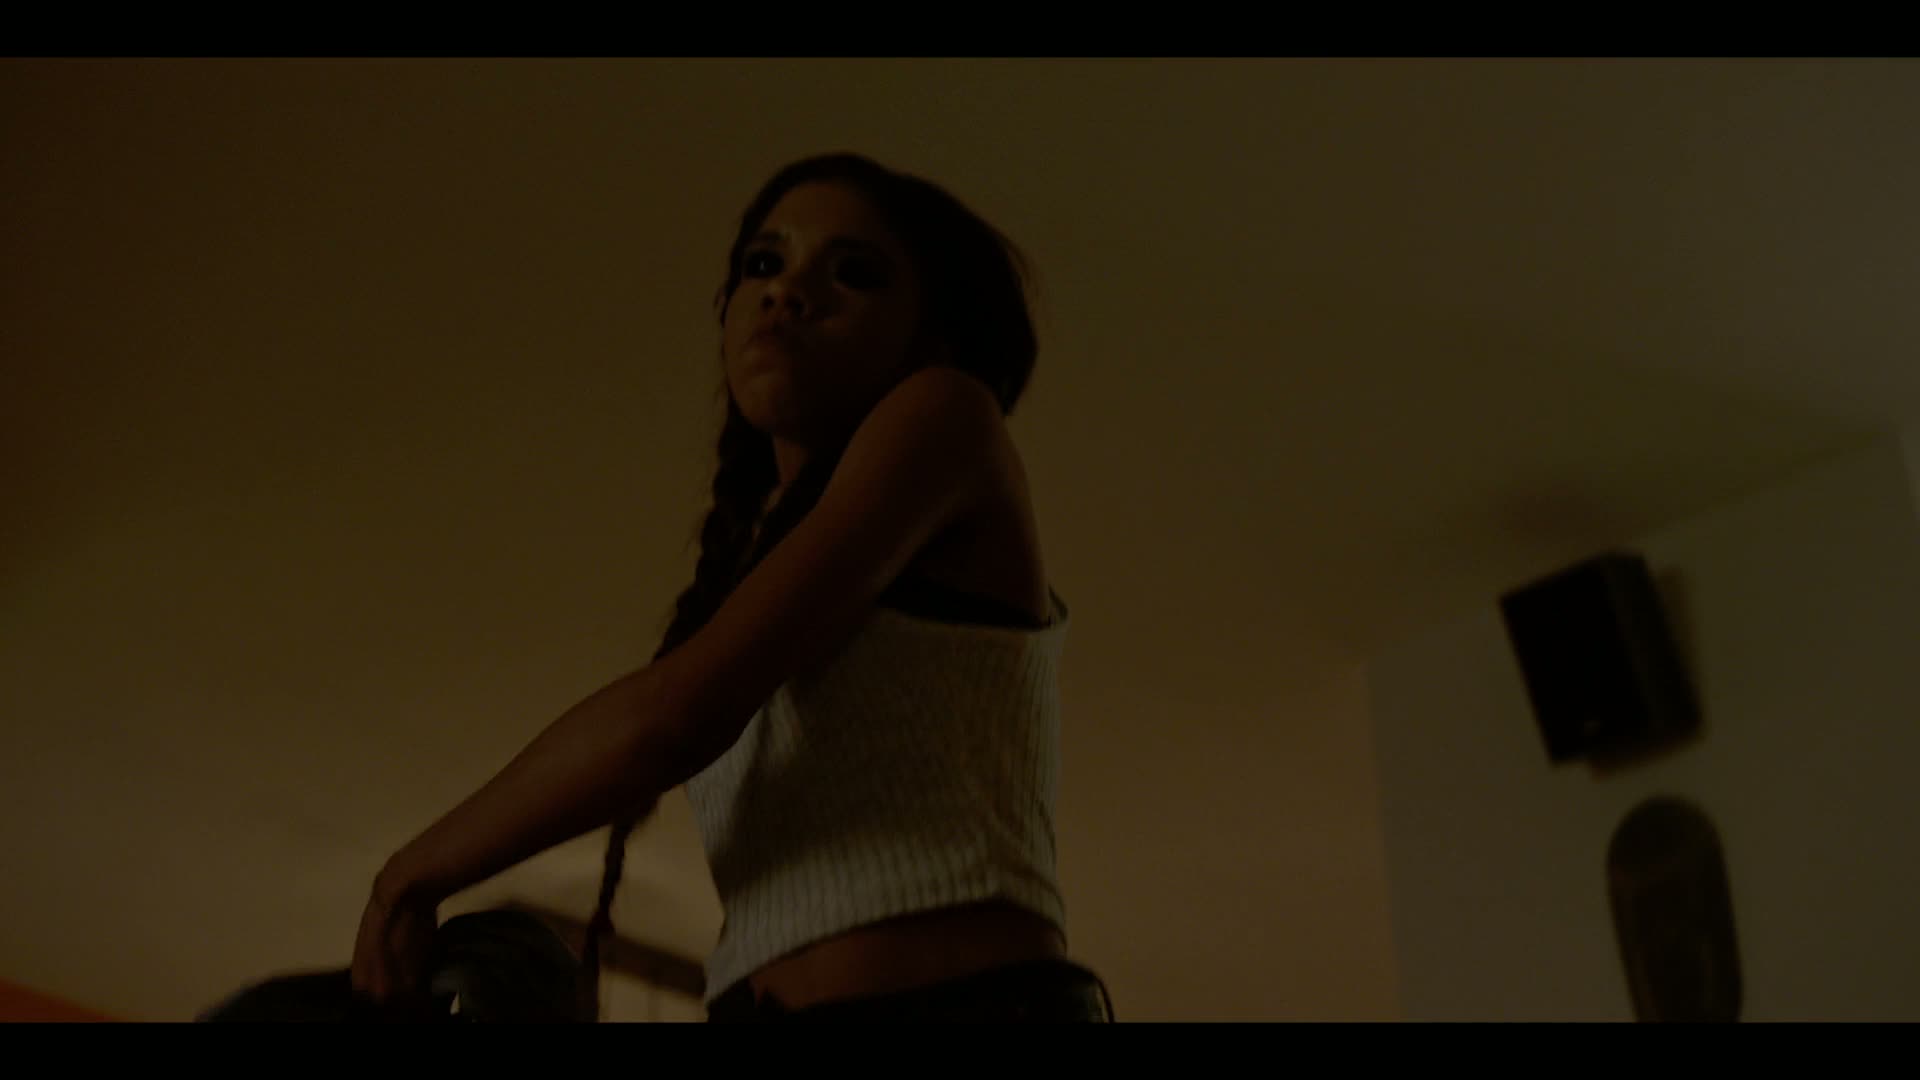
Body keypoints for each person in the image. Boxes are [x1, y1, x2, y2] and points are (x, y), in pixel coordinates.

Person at [349, 152, 1112, 1022]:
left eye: (855, 273)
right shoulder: (760, 562)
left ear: (933, 336)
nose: (789, 291)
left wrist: (408, 875)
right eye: (763, 263)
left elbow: (669, 720)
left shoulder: (949, 412)